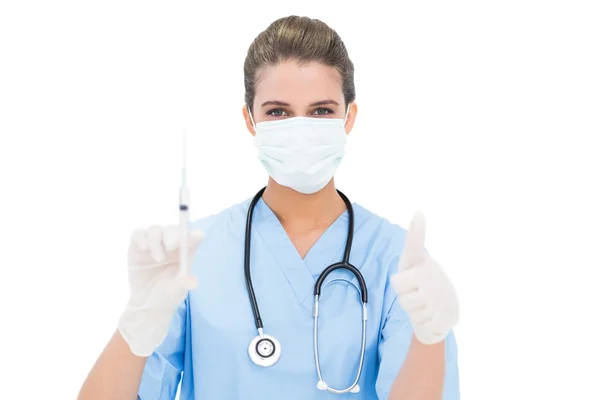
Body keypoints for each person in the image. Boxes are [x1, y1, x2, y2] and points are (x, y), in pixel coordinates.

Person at [78, 15, 460, 400]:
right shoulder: (191, 255)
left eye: (321, 111)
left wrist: (431, 339)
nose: (300, 128)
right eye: (277, 111)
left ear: (350, 117)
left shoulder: (397, 261)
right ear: (250, 120)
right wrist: (135, 326)